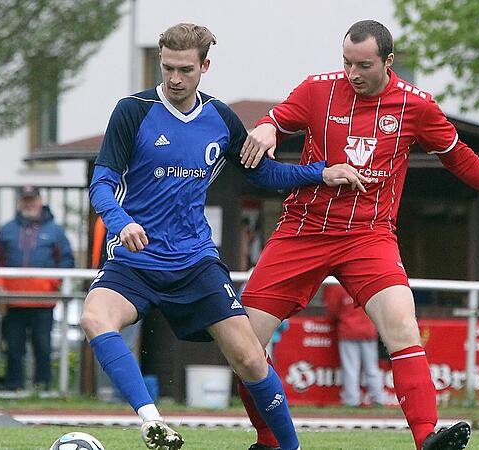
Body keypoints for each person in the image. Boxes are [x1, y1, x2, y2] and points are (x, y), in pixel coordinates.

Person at [237, 20, 479, 450]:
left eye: (363, 65)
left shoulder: (415, 105)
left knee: (403, 324)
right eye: (346, 62)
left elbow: (458, 156)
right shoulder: (317, 90)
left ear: (388, 61)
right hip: (302, 230)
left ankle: (428, 439)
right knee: (244, 342)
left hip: (369, 236)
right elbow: (277, 118)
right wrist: (268, 127)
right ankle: (269, 441)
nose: (353, 73)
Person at [80, 23, 367, 450]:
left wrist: (321, 174)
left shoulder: (218, 119)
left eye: (185, 70)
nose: (174, 79)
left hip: (195, 262)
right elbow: (101, 184)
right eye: (167, 68)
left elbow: (263, 173)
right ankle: (151, 421)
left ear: (205, 66)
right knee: (94, 318)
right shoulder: (132, 111)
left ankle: (289, 448)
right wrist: (122, 222)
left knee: (250, 357)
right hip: (135, 260)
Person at [0, 185, 74, 390]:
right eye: (25, 199)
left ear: (40, 200)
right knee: (13, 347)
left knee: (43, 346)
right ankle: (13, 387)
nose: (29, 203)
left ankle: (43, 387)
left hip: (43, 301)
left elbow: (66, 260)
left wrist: (54, 283)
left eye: (32, 199)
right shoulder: (7, 229)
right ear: (20, 202)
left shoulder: (55, 231)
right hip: (13, 300)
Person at [323, 284, 384, 407]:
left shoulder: (339, 286)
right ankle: (378, 399)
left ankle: (351, 400)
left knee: (351, 368)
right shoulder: (368, 283)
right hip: (367, 331)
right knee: (371, 368)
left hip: (348, 331)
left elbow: (333, 310)